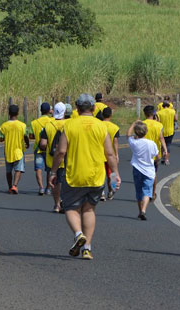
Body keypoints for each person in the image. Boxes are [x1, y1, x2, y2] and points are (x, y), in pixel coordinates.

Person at [49, 93, 120, 260]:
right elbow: (110, 153)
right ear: (94, 108)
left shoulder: (70, 125)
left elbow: (61, 151)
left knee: (71, 208)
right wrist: (115, 173)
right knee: (89, 209)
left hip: (75, 175)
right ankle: (87, 248)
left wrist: (53, 172)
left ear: (77, 108)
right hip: (96, 175)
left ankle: (78, 234)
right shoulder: (102, 126)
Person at [40, 102, 68, 213]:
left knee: (54, 181)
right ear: (64, 112)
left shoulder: (48, 125)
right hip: (66, 157)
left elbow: (43, 144)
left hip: (51, 159)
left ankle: (56, 204)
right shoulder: (69, 124)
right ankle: (65, 202)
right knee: (64, 181)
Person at [127, 121, 158, 221]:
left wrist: (133, 124)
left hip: (137, 169)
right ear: (146, 131)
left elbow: (128, 134)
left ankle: (140, 211)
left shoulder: (134, 142)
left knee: (139, 191)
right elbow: (156, 156)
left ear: (136, 132)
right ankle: (144, 210)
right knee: (147, 191)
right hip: (149, 170)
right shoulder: (151, 143)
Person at [0, 104, 29, 195]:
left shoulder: (3, 126)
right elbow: (26, 136)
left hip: (8, 150)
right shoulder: (22, 125)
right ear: (18, 113)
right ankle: (15, 185)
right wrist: (27, 143)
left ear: (9, 113)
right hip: (18, 150)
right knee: (18, 169)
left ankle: (9, 187)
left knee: (8, 170)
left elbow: (1, 139)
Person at [142, 105, 168, 196]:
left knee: (144, 173)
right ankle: (153, 193)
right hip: (155, 153)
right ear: (153, 114)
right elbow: (161, 138)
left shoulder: (142, 124)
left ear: (144, 114)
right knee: (153, 173)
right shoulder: (159, 125)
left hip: (144, 153)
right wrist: (165, 150)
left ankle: (145, 192)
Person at [31, 102, 53, 196]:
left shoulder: (34, 122)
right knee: (49, 169)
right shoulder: (52, 121)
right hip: (49, 148)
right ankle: (48, 188)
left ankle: (41, 187)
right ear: (49, 111)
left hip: (38, 148)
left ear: (40, 110)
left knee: (38, 168)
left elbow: (31, 136)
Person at [102, 107, 120, 201]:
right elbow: (115, 141)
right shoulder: (114, 127)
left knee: (101, 174)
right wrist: (116, 154)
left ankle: (101, 193)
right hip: (110, 154)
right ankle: (111, 191)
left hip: (100, 154)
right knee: (111, 174)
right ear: (110, 115)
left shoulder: (98, 125)